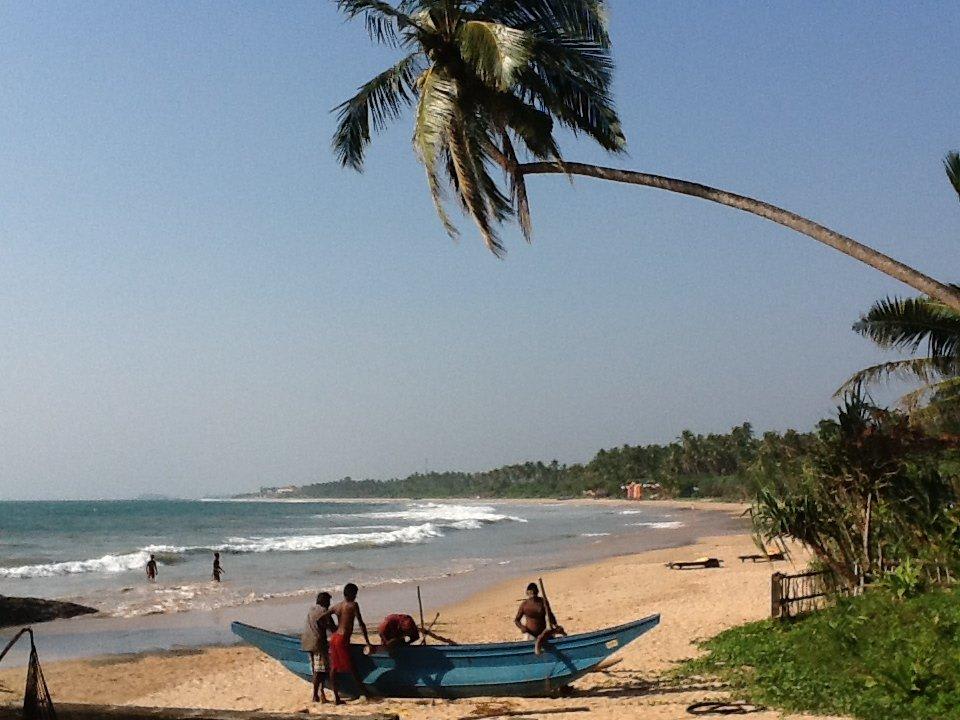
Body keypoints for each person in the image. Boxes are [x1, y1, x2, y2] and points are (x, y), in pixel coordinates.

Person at [315, 583, 374, 704]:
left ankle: (336, 697)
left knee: (334, 668)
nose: (356, 596)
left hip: (335, 637)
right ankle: (364, 692)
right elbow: (361, 624)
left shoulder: (337, 606)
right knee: (352, 667)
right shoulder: (353, 605)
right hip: (342, 639)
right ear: (352, 594)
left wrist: (323, 632)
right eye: (355, 594)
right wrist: (368, 642)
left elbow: (320, 618)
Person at [301, 591, 336, 703]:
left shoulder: (311, 610)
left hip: (306, 642)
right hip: (318, 644)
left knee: (315, 669)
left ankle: (321, 694)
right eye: (329, 601)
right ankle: (315, 695)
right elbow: (333, 629)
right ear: (325, 601)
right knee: (319, 671)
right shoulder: (324, 611)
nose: (329, 604)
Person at [514, 582, 566, 655]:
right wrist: (522, 627)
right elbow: (516, 620)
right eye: (530, 593)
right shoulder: (524, 605)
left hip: (544, 633)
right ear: (527, 593)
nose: (532, 595)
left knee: (555, 632)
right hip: (530, 634)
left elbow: (550, 615)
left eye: (534, 593)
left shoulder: (543, 602)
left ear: (537, 592)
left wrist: (555, 625)